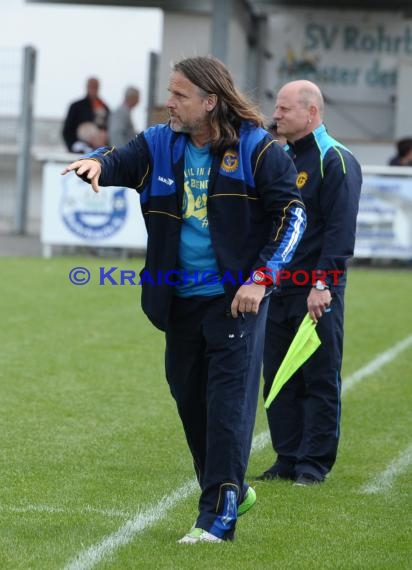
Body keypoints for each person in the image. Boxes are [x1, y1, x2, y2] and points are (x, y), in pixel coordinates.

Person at [61, 56, 306, 543]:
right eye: (169, 93)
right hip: (179, 303)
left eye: (179, 95)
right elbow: (119, 159)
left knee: (227, 410)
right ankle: (230, 488)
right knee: (191, 402)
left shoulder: (257, 148)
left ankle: (217, 517)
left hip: (235, 302)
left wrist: (260, 278)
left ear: (210, 102)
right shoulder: (158, 143)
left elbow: (293, 216)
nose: (168, 103)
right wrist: (98, 165)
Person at [258, 80, 362, 486]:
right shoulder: (280, 157)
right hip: (277, 288)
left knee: (318, 376)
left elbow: (339, 230)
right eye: (278, 108)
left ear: (311, 113)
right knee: (279, 374)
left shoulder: (335, 159)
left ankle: (313, 464)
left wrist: (324, 283)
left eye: (284, 109)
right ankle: (286, 457)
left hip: (316, 290)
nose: (276, 114)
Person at [62, 77, 110, 153]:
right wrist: (72, 147)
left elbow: (108, 129)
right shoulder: (76, 106)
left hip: (98, 151)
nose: (93, 89)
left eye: (95, 86)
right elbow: (67, 130)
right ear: (87, 87)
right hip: (79, 149)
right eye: (91, 86)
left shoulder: (104, 107)